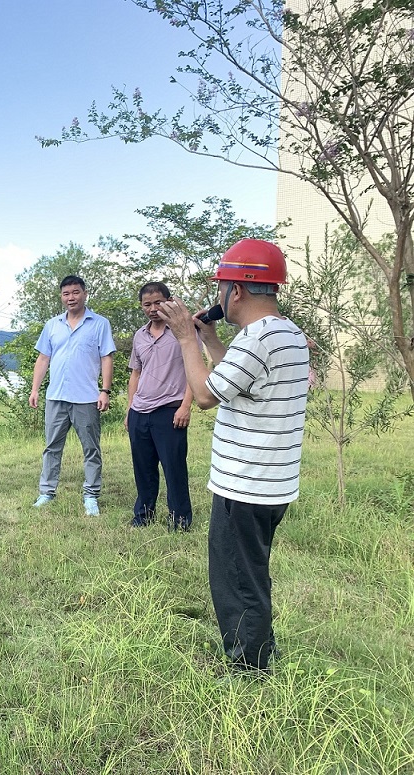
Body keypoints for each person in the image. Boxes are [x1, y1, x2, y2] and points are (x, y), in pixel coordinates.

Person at [158, 239, 309, 673]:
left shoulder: (257, 338)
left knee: (236, 579)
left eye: (220, 286)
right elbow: (236, 382)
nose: (219, 295)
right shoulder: (286, 333)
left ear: (236, 290)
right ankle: (262, 648)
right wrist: (209, 340)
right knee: (251, 571)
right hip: (272, 483)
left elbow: (206, 395)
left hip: (245, 484)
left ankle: (250, 667)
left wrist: (186, 337)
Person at [29, 275, 116, 515]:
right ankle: (47, 492)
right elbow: (43, 358)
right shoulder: (52, 325)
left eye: (76, 292)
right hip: (56, 396)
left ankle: (91, 495)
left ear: (85, 293)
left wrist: (105, 390)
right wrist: (35, 389)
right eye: (66, 294)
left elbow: (106, 357)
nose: (71, 298)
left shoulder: (100, 324)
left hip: (86, 397)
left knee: (91, 448)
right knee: (52, 447)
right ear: (61, 297)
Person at [125, 281, 194, 530]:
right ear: (141, 306)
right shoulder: (140, 336)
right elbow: (136, 373)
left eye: (158, 303)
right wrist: (130, 409)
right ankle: (143, 516)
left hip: (170, 411)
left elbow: (194, 370)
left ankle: (180, 520)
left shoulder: (183, 332)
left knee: (174, 468)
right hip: (140, 411)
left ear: (169, 301)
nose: (153, 309)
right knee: (143, 469)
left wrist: (185, 406)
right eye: (147, 304)